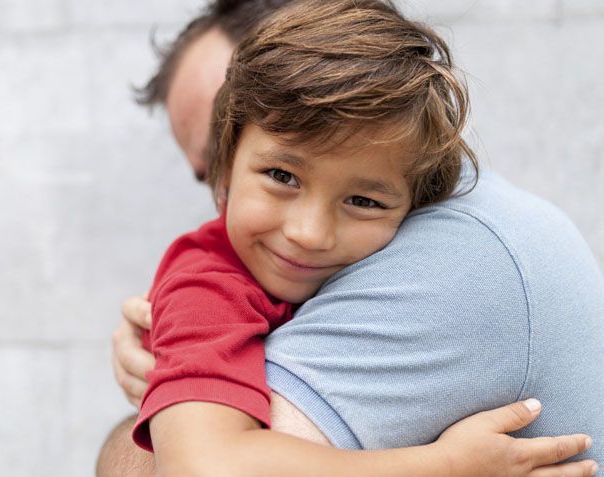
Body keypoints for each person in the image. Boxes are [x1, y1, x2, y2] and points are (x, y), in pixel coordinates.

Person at [99, 0, 604, 475]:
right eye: (281, 175)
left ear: (419, 199)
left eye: (364, 201)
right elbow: (202, 466)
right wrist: (444, 465)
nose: (309, 234)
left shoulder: (462, 250)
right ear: (228, 165)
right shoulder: (208, 289)